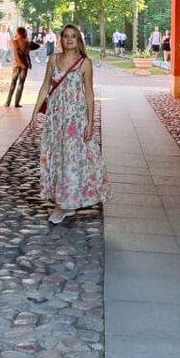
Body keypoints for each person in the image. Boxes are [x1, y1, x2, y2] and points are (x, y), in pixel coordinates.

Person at [31, 24, 111, 225]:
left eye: (73, 36)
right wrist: (35, 112)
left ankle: (62, 205)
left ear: (78, 40)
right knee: (57, 157)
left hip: (75, 118)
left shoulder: (85, 63)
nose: (69, 39)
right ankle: (66, 201)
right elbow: (45, 86)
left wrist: (90, 122)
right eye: (66, 36)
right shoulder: (53, 59)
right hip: (56, 118)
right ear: (61, 39)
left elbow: (89, 94)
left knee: (72, 159)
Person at [5, 25, 40, 107]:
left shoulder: (15, 41)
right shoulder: (27, 42)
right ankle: (16, 103)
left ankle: (7, 102)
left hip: (17, 64)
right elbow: (28, 53)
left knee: (13, 83)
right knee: (21, 83)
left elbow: (18, 54)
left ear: (18, 33)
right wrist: (29, 63)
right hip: (24, 65)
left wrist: (22, 63)